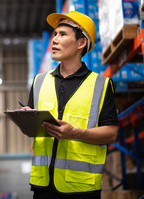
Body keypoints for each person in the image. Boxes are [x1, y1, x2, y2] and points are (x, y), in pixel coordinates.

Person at [22, 11, 118, 199]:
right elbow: (36, 131)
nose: (54, 40)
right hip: (43, 186)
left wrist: (75, 133)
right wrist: (27, 118)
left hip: (81, 187)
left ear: (81, 43)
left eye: (62, 34)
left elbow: (111, 133)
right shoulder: (39, 81)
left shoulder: (101, 85)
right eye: (55, 34)